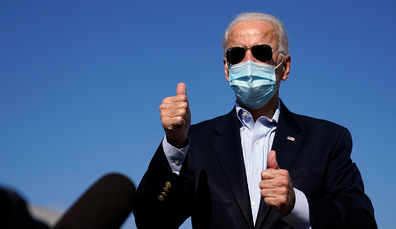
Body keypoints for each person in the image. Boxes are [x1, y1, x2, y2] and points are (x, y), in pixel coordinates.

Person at [133, 12, 377, 229]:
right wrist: (174, 143)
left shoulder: (328, 140)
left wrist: (297, 204)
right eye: (237, 54)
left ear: (285, 66)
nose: (248, 62)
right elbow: (150, 221)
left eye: (261, 52)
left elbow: (362, 221)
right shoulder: (195, 142)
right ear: (227, 69)